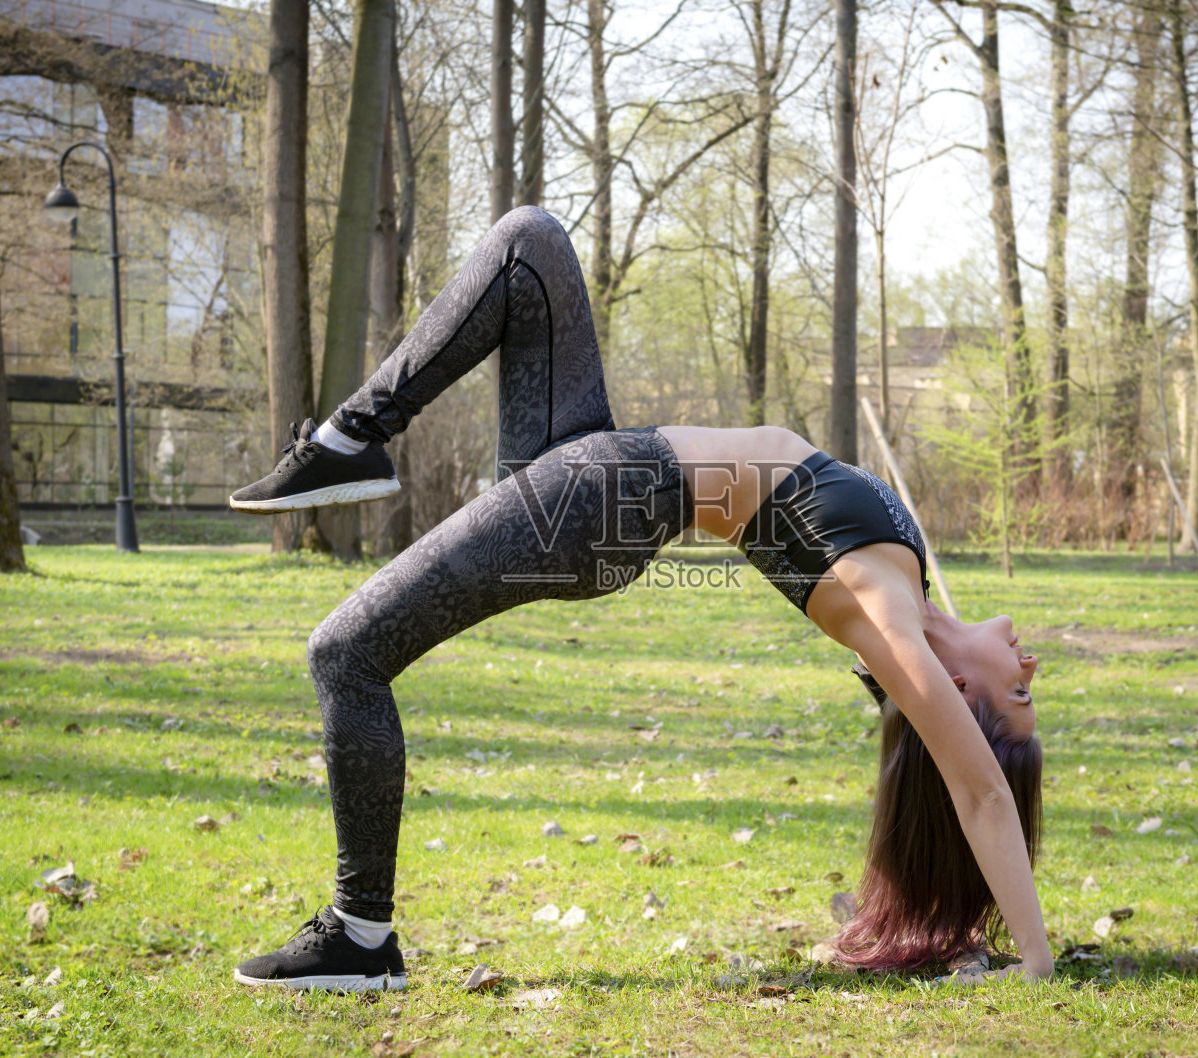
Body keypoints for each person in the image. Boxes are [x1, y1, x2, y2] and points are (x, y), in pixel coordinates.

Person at [228, 206, 1047, 992]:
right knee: (531, 242)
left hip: (595, 505)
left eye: (1018, 690)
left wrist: (1037, 961)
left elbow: (978, 792)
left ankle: (360, 936)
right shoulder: (909, 585)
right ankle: (348, 441)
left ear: (960, 694)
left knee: (346, 651)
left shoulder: (888, 620)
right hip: (595, 466)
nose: (1030, 663)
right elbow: (959, 780)